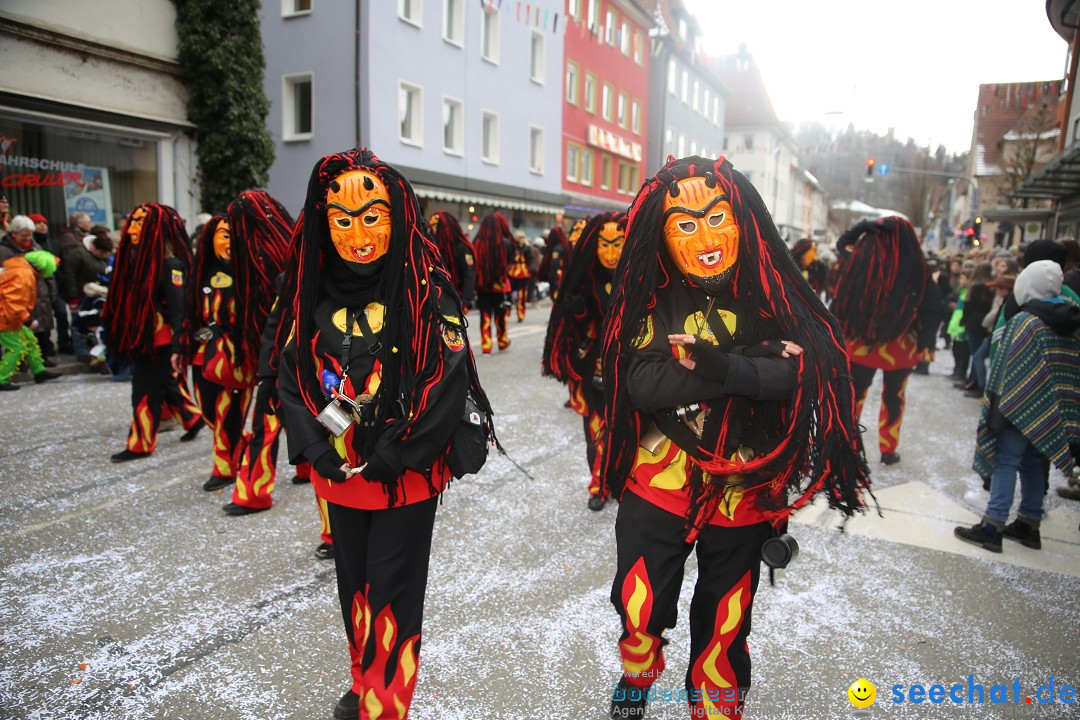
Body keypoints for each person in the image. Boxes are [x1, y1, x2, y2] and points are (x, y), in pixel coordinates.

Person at [600, 156, 870, 719]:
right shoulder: (651, 295)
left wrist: (720, 367)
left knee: (726, 618)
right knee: (640, 604)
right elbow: (642, 381)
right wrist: (747, 366)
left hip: (746, 486)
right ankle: (637, 675)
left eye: (716, 217)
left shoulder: (771, 294)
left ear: (742, 220)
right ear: (664, 232)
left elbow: (799, 372)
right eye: (686, 224)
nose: (705, 237)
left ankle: (716, 708)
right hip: (661, 478)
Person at [276, 148, 495, 720]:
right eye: (342, 219)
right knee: (354, 587)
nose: (357, 233)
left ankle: (385, 701)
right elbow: (291, 376)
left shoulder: (426, 288)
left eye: (372, 216)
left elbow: (444, 381)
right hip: (340, 475)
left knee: (393, 590)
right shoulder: (311, 289)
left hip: (404, 476)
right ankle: (362, 676)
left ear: (397, 217)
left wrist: (399, 452)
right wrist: (313, 448)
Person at [955, 260, 1080, 552]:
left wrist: (998, 406)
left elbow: (1005, 366)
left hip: (1017, 407)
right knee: (1036, 464)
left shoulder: (1025, 321)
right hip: (1053, 413)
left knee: (1006, 462)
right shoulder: (1073, 322)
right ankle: (1028, 524)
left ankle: (992, 525)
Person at [197, 190, 294, 510]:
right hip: (254, 353)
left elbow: (276, 318)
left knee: (266, 422)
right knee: (242, 412)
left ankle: (254, 491)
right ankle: (232, 471)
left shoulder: (273, 262)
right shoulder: (253, 259)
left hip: (281, 356)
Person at [832, 217, 943, 465]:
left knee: (854, 395)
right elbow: (934, 307)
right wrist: (926, 341)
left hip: (861, 344)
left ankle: (847, 443)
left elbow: (842, 245)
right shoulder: (918, 267)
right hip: (900, 345)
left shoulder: (861, 261)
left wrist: (861, 227)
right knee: (894, 397)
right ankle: (888, 449)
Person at [104, 203, 203, 462]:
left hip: (160, 340)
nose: (134, 228)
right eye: (133, 221)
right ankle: (192, 419)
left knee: (145, 390)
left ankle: (140, 443)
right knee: (164, 383)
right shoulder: (138, 263)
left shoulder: (170, 265)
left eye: (141, 223)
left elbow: (180, 309)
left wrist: (179, 343)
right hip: (145, 338)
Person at [543, 212, 626, 511]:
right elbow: (575, 330)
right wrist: (576, 312)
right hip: (595, 373)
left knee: (622, 433)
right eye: (604, 245)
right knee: (595, 433)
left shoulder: (638, 278)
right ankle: (598, 486)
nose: (611, 253)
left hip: (630, 375)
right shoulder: (585, 279)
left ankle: (615, 481)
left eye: (618, 244)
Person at [0, 215, 60, 365]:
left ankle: (41, 361)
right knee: (19, 332)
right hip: (17, 295)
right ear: (14, 233)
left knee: (41, 328)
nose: (27, 238)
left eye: (29, 234)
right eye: (23, 235)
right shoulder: (5, 250)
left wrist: (52, 291)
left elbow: (48, 272)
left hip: (39, 292)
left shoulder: (35, 246)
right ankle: (19, 364)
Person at [0, 251, 61, 390]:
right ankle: (1, 378)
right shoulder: (24, 275)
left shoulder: (20, 270)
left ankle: (39, 371)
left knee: (30, 341)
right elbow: (13, 302)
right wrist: (27, 320)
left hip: (8, 316)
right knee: (17, 348)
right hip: (5, 318)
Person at [473, 212, 514, 353]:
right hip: (500, 286)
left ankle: (486, 345)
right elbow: (510, 262)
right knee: (500, 316)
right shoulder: (506, 243)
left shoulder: (477, 243)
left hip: (483, 287)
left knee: (485, 316)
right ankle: (502, 341)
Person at [429, 210, 476, 312]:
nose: (432, 229)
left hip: (454, 298)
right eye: (431, 225)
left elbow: (469, 274)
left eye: (436, 225)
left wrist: (465, 300)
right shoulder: (431, 246)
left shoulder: (462, 247)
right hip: (433, 297)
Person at [538, 225, 568, 300]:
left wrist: (550, 275)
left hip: (557, 277)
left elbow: (555, 264)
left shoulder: (557, 249)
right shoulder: (565, 246)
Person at [508, 229, 532, 322]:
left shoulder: (527, 248)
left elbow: (530, 260)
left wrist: (531, 270)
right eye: (520, 237)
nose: (521, 239)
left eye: (523, 237)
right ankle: (507, 311)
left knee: (522, 296)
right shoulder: (512, 247)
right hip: (512, 272)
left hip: (523, 273)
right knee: (508, 293)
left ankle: (520, 314)